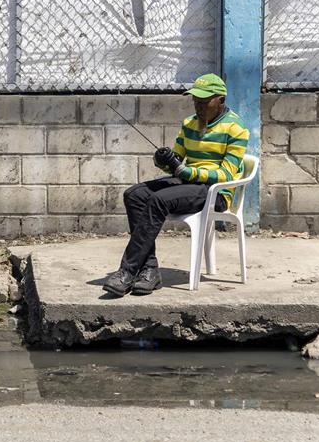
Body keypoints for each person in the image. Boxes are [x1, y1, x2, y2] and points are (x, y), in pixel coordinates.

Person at [103, 74, 250, 297]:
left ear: (220, 100)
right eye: (195, 101)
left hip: (215, 193)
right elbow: (178, 160)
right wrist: (165, 160)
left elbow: (226, 174)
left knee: (158, 201)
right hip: (187, 183)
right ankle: (150, 270)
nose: (198, 106)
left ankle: (128, 270)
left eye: (204, 101)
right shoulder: (190, 123)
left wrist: (186, 171)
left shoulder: (236, 128)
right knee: (134, 194)